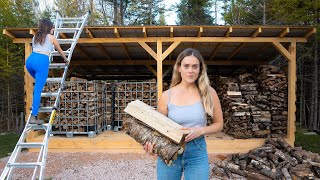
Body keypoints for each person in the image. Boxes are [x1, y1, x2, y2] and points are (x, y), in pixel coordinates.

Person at [145, 48, 224, 180]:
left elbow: (219, 124)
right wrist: (151, 144)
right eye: (186, 66)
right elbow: (156, 129)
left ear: (200, 69)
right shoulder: (167, 96)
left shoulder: (209, 93)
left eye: (195, 66)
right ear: (178, 68)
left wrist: (200, 130)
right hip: (169, 149)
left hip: (197, 152)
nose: (190, 70)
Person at [26, 19, 68, 124]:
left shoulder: (35, 37)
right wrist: (66, 59)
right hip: (41, 61)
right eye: (53, 27)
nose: (54, 29)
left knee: (38, 84)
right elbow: (60, 50)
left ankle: (36, 103)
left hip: (30, 61)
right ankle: (33, 116)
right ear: (49, 28)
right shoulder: (51, 37)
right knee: (38, 89)